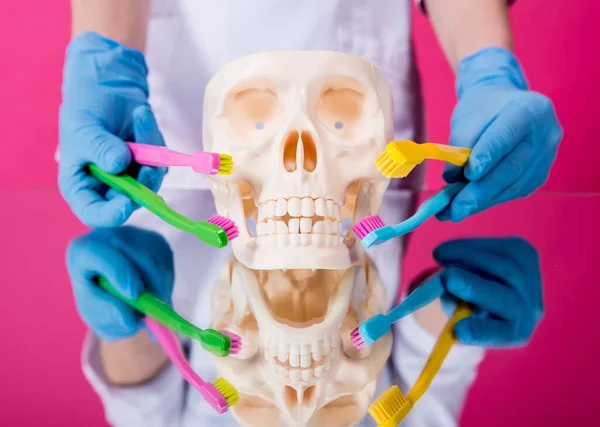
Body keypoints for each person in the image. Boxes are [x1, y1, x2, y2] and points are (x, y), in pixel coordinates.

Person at [59, 0, 560, 426]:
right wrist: (486, 62)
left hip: (187, 139)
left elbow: (141, 402)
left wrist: (107, 54)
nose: (298, 405)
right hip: (336, 146)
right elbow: (425, 385)